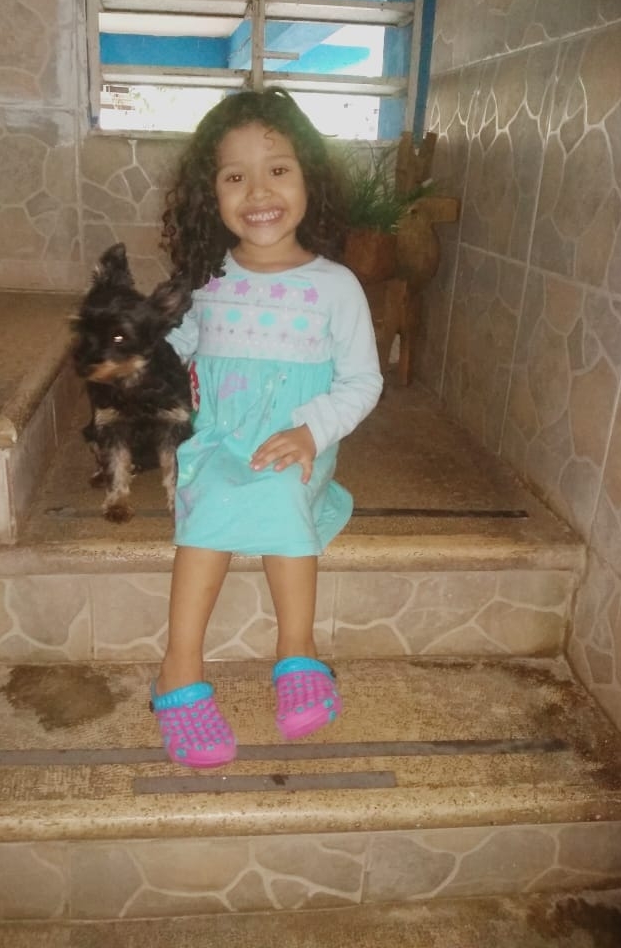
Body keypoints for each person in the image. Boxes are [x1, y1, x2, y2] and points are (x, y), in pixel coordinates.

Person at [151, 86, 383, 768]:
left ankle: (297, 651)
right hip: (219, 440)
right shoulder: (205, 279)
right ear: (211, 194)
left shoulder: (336, 286)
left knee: (283, 491)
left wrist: (312, 433)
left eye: (278, 169)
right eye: (234, 176)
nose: (258, 191)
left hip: (297, 441)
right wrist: (146, 365)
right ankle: (178, 669)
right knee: (209, 508)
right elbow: (175, 351)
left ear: (310, 179)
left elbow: (363, 382)